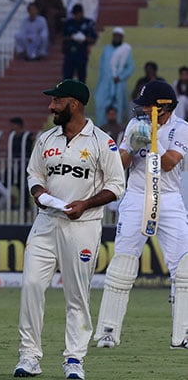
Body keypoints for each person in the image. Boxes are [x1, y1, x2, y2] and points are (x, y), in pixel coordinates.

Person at [13, 79, 125, 379]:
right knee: (32, 286)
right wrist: (38, 193)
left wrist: (85, 204)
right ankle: (29, 356)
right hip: (46, 223)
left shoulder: (102, 141)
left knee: (77, 295)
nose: (51, 106)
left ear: (74, 104)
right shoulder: (46, 139)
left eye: (56, 101)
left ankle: (74, 360)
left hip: (83, 227)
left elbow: (117, 186)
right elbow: (33, 173)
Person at [94, 80, 188, 350]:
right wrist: (132, 146)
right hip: (136, 195)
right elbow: (120, 164)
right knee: (123, 261)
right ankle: (108, 332)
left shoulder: (181, 129)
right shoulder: (136, 126)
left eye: (148, 105)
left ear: (163, 106)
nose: (143, 110)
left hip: (169, 199)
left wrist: (153, 141)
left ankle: (182, 334)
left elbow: (169, 163)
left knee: (184, 266)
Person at [94, 27, 134, 125]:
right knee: (101, 106)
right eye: (115, 36)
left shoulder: (126, 50)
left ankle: (116, 133)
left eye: (118, 36)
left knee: (118, 107)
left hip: (118, 84)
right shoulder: (107, 49)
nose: (116, 38)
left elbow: (130, 68)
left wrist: (120, 77)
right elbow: (102, 67)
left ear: (122, 37)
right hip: (104, 83)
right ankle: (101, 129)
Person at [62, 4, 97, 83]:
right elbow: (63, 37)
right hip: (69, 53)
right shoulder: (69, 23)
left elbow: (93, 38)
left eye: (77, 14)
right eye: (74, 14)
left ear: (81, 13)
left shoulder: (88, 23)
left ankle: (81, 94)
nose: (76, 16)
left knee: (82, 78)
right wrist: (72, 37)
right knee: (67, 78)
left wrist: (84, 38)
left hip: (81, 53)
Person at [8, 117, 34, 212]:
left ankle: (25, 207)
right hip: (14, 165)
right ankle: (11, 202)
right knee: (7, 181)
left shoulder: (27, 136)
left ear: (18, 125)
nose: (11, 127)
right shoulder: (12, 136)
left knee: (23, 186)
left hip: (24, 165)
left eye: (13, 125)